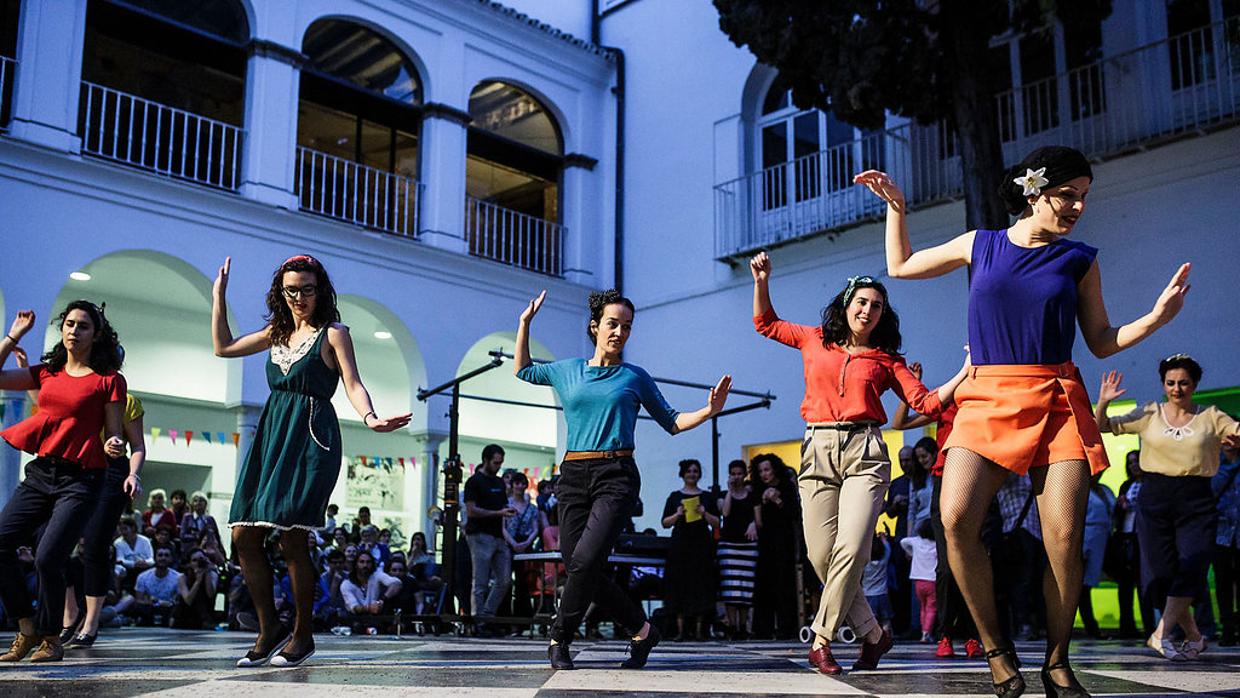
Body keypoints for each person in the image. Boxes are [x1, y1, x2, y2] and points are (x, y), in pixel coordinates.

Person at [857, 145, 1190, 697]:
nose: (1078, 206)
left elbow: (1103, 342)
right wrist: (897, 208)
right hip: (986, 394)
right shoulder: (980, 244)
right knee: (956, 517)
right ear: (1034, 191)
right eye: (1068, 194)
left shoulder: (1079, 259)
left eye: (1084, 196)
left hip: (1057, 398)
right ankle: (995, 648)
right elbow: (900, 267)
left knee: (1063, 537)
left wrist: (1157, 317)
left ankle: (1058, 661)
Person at [750, 251, 967, 675]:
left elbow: (923, 402)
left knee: (851, 549)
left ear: (883, 315)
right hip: (816, 450)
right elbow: (766, 324)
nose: (868, 310)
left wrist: (964, 370)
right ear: (846, 304)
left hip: (865, 454)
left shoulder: (887, 359)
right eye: (862, 302)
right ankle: (873, 635)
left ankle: (822, 639)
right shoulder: (814, 338)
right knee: (820, 556)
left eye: (877, 306)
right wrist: (761, 281)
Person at [514, 287, 730, 670]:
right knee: (581, 565)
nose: (619, 333)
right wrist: (524, 324)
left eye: (627, 327)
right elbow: (523, 370)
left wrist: (708, 411)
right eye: (613, 324)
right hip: (573, 475)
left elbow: (672, 422)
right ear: (595, 326)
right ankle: (643, 631)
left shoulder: (634, 377)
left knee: (583, 561)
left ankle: (558, 637)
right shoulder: (568, 370)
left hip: (616, 474)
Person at [212, 254, 411, 668]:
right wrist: (218, 296)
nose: (298, 297)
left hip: (311, 436)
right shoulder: (276, 333)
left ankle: (302, 635)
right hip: (271, 436)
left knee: (292, 537)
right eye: (290, 290)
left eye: (306, 288)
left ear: (320, 290)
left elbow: (353, 384)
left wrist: (372, 418)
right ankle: (269, 629)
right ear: (280, 293)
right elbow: (223, 347)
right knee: (243, 537)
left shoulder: (334, 333)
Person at [0, 304, 127, 663]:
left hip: (82, 478)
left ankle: (51, 639)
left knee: (47, 557)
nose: (74, 331)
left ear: (96, 334)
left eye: (83, 326)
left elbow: (114, 436)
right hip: (41, 474)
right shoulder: (47, 373)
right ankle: (26, 629)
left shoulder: (108, 380)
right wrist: (13, 335)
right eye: (69, 324)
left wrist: (113, 444)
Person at [1095, 356, 1240, 661]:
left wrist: (1234, 439)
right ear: (1163, 384)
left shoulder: (1210, 416)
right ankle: (1194, 636)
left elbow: (1235, 430)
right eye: (1171, 383)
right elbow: (1101, 427)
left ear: (1195, 385)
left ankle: (1160, 634)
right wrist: (1103, 402)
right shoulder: (1150, 413)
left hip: (1197, 498)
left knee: (1193, 564)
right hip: (1155, 497)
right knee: (1160, 574)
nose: (1177, 388)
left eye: (1184, 382)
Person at [892, 365, 980, 659]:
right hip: (945, 481)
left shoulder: (981, 403)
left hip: (971, 479)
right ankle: (945, 636)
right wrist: (911, 389)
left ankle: (972, 636)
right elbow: (899, 423)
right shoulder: (946, 402)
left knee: (970, 564)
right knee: (945, 567)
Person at [64, 387, 146, 649]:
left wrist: (133, 474)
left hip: (112, 472)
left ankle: (91, 622)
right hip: (76, 467)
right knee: (56, 542)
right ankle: (70, 612)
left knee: (95, 545)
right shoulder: (76, 393)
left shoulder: (128, 401)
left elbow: (138, 446)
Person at [661, 458, 720, 641]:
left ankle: (700, 630)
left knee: (701, 584)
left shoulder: (707, 497)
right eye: (689, 471)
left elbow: (717, 523)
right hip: (680, 544)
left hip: (701, 544)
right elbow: (664, 523)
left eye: (695, 471)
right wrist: (677, 515)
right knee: (679, 585)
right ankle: (680, 630)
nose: (692, 474)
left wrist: (704, 513)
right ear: (683, 474)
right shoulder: (674, 496)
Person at [463, 443, 514, 632]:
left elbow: (501, 507)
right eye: (495, 463)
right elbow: (471, 510)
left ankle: (487, 614)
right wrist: (498, 513)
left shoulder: (500, 483)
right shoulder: (474, 482)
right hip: (479, 535)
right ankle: (479, 619)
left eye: (500, 463)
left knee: (505, 580)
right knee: (481, 580)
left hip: (497, 535)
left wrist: (505, 512)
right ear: (485, 460)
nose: (498, 466)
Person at [750, 453, 800, 640]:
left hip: (784, 540)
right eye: (760, 471)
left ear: (775, 469)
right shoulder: (757, 490)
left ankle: (787, 627)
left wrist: (777, 500)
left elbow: (794, 514)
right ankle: (763, 629)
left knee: (785, 583)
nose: (764, 474)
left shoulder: (787, 487)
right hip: (766, 542)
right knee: (764, 584)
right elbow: (759, 523)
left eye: (767, 469)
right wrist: (763, 501)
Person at [1111, 451, 1152, 638]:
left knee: (1144, 585)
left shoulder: (1151, 484)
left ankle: (1150, 627)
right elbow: (1117, 516)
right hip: (1125, 539)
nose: (1134, 465)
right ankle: (1126, 627)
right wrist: (1120, 506)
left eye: (1137, 461)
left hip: (1143, 540)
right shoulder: (1126, 485)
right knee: (1125, 586)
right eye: (1130, 462)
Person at [718, 459, 760, 639]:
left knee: (745, 588)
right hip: (729, 545)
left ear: (745, 475)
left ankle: (743, 627)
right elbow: (725, 513)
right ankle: (732, 626)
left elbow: (759, 521)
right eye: (733, 473)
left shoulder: (752, 496)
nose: (736, 477)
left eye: (739, 473)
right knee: (730, 588)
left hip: (748, 546)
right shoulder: (722, 494)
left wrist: (753, 524)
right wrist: (730, 491)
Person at [1078, 472, 1116, 638]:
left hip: (1105, 541)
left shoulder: (1105, 490)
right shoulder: (1080, 489)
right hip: (1087, 539)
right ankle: (1091, 627)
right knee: (1083, 586)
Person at [504, 472, 541, 619]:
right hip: (508, 544)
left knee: (523, 583)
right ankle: (504, 620)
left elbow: (535, 528)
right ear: (512, 486)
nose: (519, 486)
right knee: (505, 582)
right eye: (517, 483)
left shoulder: (532, 508)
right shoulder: (506, 504)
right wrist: (512, 543)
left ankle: (522, 620)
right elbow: (503, 527)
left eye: (522, 483)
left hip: (526, 545)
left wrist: (527, 542)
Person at [1215, 442, 1240, 646]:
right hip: (1221, 532)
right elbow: (1211, 491)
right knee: (1223, 583)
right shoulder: (1213, 464)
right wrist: (1230, 466)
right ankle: (1227, 628)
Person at [340, 550, 402, 626]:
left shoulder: (377, 575)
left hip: (376, 618)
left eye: (368, 562)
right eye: (362, 562)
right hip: (355, 620)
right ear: (356, 564)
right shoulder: (346, 584)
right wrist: (369, 608)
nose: (365, 565)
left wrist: (382, 600)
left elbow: (397, 583)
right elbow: (354, 607)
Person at [902, 519, 939, 643]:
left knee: (922, 607)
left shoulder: (916, 541)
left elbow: (903, 541)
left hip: (918, 579)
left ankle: (923, 630)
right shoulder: (936, 544)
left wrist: (911, 553)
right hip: (932, 580)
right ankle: (927, 633)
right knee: (931, 607)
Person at [130, 547, 182, 626]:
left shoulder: (178, 577)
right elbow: (139, 599)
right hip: (149, 609)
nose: (163, 558)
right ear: (155, 558)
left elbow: (178, 600)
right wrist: (152, 602)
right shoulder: (143, 576)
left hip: (169, 609)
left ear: (171, 559)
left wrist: (168, 603)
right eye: (160, 555)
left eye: (166, 555)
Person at [172, 547, 219, 629]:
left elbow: (210, 594)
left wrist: (207, 573)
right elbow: (188, 600)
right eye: (194, 560)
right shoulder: (183, 577)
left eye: (201, 559)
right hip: (185, 614)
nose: (198, 562)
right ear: (189, 563)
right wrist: (198, 581)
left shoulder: (212, 573)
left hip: (205, 614)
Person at [862, 533, 894, 637]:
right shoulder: (883, 562)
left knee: (871, 620)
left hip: (868, 595)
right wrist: (883, 540)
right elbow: (888, 550)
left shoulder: (865, 564)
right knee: (886, 619)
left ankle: (874, 638)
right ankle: (887, 635)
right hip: (883, 594)